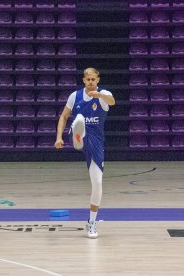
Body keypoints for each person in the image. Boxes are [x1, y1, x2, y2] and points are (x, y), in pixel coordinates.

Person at [54, 67, 115, 239]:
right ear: (83, 80)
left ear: (98, 80)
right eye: (88, 79)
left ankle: (91, 222)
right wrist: (58, 137)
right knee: (79, 119)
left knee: (97, 183)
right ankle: (77, 138)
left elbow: (112, 102)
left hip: (96, 142)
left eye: (93, 80)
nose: (90, 82)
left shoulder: (103, 95)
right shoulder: (75, 96)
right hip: (79, 133)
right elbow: (64, 116)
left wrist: (100, 95)